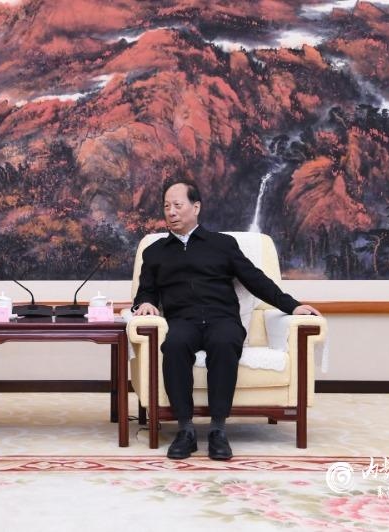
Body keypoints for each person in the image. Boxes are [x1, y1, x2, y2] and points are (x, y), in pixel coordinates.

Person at [132, 180, 320, 461]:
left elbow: (255, 280)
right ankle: (185, 430)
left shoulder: (222, 244)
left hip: (222, 318)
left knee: (224, 343)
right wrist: (145, 303)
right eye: (166, 206)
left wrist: (292, 306)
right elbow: (146, 291)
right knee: (174, 345)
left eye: (178, 205)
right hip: (182, 319)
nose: (171, 212)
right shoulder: (155, 252)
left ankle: (218, 430)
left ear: (196, 207)